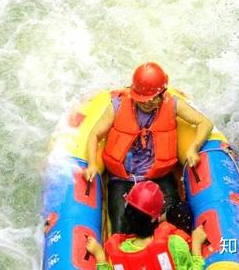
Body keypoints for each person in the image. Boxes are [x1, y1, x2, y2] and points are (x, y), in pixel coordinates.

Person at [83, 62, 213, 234]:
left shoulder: (173, 104)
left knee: (178, 223)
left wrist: (193, 148)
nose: (148, 103)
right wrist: (92, 164)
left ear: (162, 93)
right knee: (122, 231)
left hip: (158, 177)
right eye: (143, 99)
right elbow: (94, 135)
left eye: (153, 98)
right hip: (122, 179)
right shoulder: (117, 106)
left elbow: (205, 123)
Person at [86, 179, 208, 270]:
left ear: (127, 215)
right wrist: (197, 244)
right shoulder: (176, 245)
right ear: (155, 219)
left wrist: (100, 256)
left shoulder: (118, 254)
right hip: (168, 242)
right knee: (183, 210)